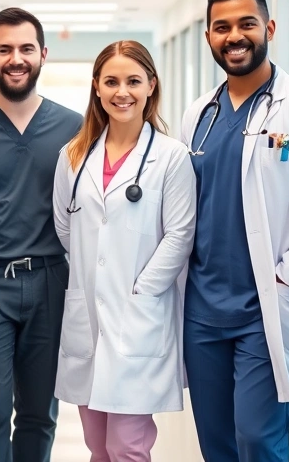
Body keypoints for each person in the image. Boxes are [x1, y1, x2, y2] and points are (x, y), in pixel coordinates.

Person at [179, 0, 289, 462]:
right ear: (208, 37)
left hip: (263, 309)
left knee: (258, 440)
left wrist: (288, 275)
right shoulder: (198, 112)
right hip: (201, 311)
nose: (234, 36)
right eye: (221, 27)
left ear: (269, 27)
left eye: (246, 24)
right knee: (216, 442)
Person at [0, 7, 83, 462]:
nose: (16, 58)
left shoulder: (76, 128)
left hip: (51, 280)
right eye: (5, 49)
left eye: (26, 48)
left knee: (41, 411)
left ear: (43, 54)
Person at [52, 40, 196, 462]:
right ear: (96, 87)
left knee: (128, 446)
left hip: (139, 315)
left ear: (151, 85)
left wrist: (140, 290)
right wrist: (92, 269)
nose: (122, 92)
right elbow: (66, 225)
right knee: (97, 445)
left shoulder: (171, 157)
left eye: (133, 81)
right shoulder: (73, 155)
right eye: (111, 81)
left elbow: (180, 235)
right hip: (88, 316)